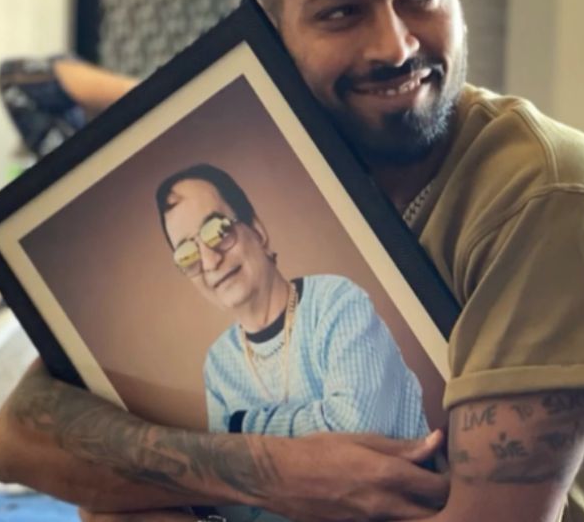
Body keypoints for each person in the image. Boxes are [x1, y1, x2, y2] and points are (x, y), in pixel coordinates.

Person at [0, 0, 584, 522]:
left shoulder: (549, 191)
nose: (394, 46)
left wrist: (214, 462)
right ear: (272, 31)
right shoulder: (274, 174)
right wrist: (281, 471)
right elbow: (18, 438)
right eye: (341, 12)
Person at [154, 163, 429, 440]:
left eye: (218, 230)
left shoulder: (336, 302)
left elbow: (360, 432)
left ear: (257, 230)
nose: (210, 261)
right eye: (187, 254)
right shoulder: (218, 364)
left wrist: (242, 425)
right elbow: (238, 475)